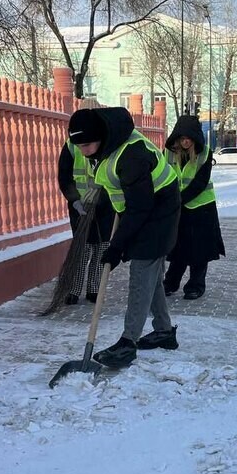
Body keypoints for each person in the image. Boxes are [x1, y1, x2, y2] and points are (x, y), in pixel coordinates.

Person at [65, 107, 181, 369]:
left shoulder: (132, 155)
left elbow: (140, 207)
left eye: (87, 145)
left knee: (142, 273)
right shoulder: (106, 147)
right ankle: (163, 331)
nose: (83, 151)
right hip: (139, 208)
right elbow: (119, 192)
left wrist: (116, 247)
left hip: (159, 209)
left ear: (102, 137)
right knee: (151, 275)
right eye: (78, 145)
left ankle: (128, 342)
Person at [162, 116, 225, 300]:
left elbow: (200, 182)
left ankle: (195, 286)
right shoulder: (169, 153)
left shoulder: (204, 153)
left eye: (189, 138)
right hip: (179, 208)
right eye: (182, 138)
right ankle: (170, 283)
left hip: (202, 207)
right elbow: (166, 176)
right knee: (177, 249)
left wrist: (177, 200)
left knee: (200, 251)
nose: (185, 141)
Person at [57, 137, 116, 304]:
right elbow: (64, 176)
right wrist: (74, 200)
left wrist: (103, 199)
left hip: (105, 206)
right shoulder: (71, 146)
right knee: (82, 249)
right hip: (80, 207)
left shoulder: (108, 143)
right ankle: (73, 290)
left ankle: (94, 289)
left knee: (101, 248)